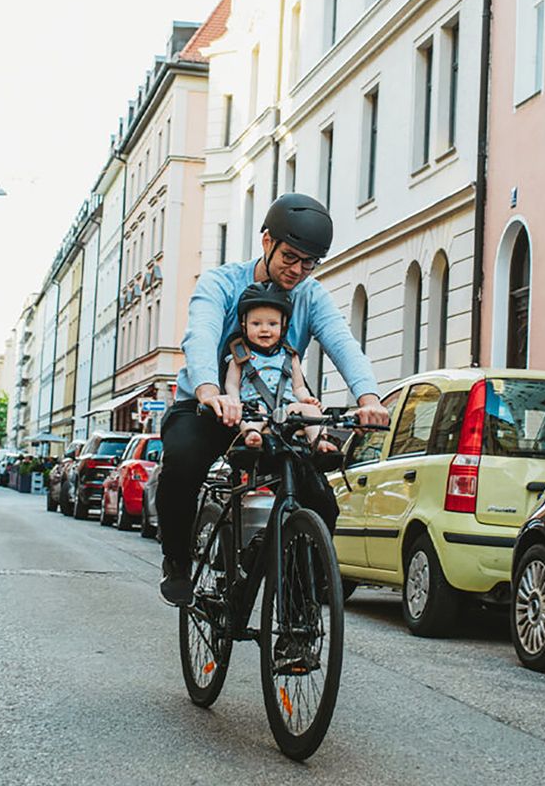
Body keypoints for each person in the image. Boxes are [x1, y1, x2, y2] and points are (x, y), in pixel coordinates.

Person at [157, 193, 389, 606]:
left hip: (274, 413)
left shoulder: (309, 296)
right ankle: (176, 562)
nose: (298, 271)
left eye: (309, 262)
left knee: (319, 499)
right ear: (267, 242)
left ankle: (298, 615)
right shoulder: (221, 283)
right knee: (182, 462)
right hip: (212, 404)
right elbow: (202, 335)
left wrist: (369, 398)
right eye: (291, 257)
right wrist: (211, 392)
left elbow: (342, 343)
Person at [224, 282, 337, 453]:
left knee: (310, 411)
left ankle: (318, 440)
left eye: (272, 324)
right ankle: (252, 433)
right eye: (256, 324)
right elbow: (231, 384)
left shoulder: (290, 356)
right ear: (244, 324)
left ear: (283, 326)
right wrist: (234, 402)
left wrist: (306, 399)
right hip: (255, 407)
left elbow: (298, 386)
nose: (264, 330)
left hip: (287, 408)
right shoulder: (239, 356)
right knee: (252, 414)